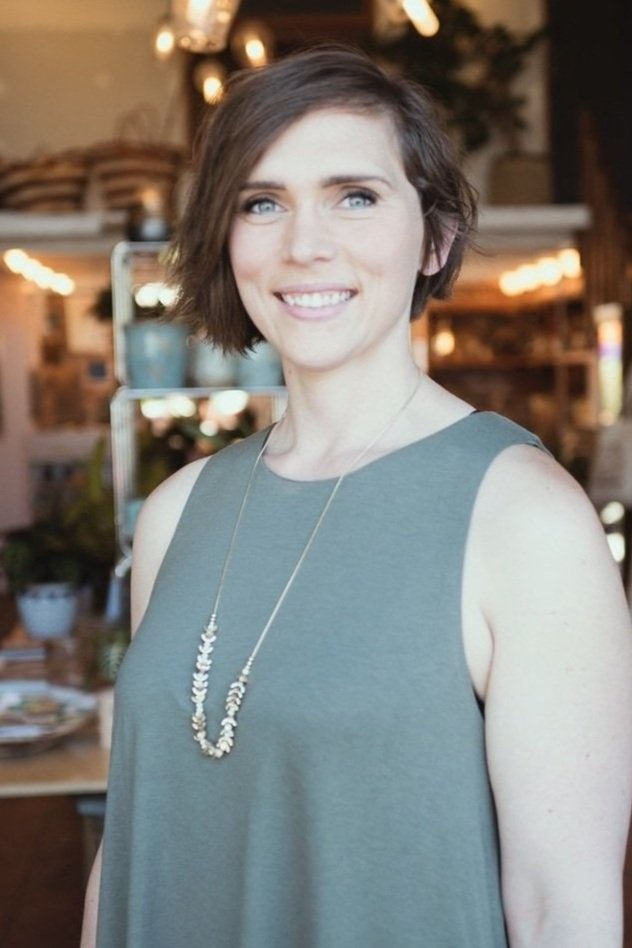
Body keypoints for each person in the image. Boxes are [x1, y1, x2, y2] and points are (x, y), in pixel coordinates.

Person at [82, 46, 632, 947]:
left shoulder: (524, 518)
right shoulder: (177, 512)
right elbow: (132, 844)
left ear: (436, 240)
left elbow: (562, 913)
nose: (304, 245)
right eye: (262, 203)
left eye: (356, 197)